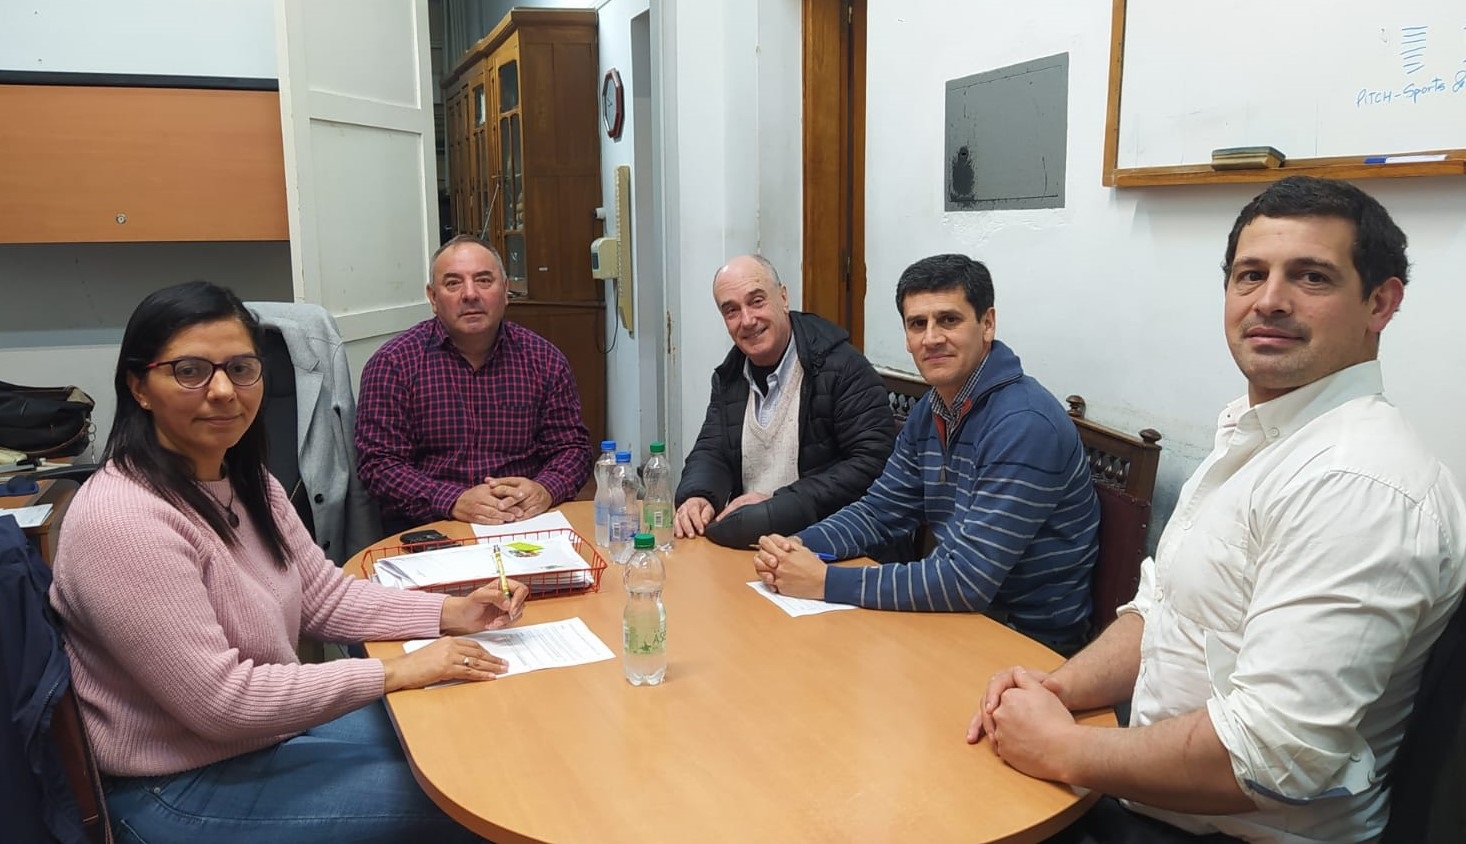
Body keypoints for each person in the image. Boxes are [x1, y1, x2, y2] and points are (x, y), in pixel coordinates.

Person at [968, 176, 1466, 843]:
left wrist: (1061, 747)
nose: (1270, 300)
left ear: (1380, 302)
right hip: (1150, 802)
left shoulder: (1357, 481)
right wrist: (1055, 692)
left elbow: (1269, 759)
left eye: (1312, 277)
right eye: (1250, 275)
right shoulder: (1259, 432)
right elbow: (1164, 613)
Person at [50, 281, 530, 843]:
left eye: (241, 368)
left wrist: (450, 613)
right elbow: (221, 702)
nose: (223, 391)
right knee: (477, 793)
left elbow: (322, 597)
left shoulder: (245, 481)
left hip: (259, 741)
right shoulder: (123, 519)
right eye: (190, 371)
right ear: (140, 387)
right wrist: (397, 671)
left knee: (477, 734)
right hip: (178, 785)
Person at [755, 253, 1100, 653]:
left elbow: (967, 581)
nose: (931, 338)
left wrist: (824, 582)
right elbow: (879, 513)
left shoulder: (1024, 424)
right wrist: (794, 548)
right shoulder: (933, 409)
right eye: (917, 324)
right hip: (960, 621)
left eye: (948, 320)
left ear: (987, 323)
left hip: (1024, 644)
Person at [355, 235, 593, 535]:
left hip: (524, 523)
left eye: (483, 280)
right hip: (431, 528)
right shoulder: (393, 364)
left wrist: (545, 489)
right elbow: (378, 465)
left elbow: (572, 448)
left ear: (505, 291)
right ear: (433, 297)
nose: (470, 294)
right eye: (453, 283)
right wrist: (452, 500)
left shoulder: (544, 360)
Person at [673, 254, 896, 548]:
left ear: (783, 297)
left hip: (829, 544)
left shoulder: (842, 367)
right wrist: (698, 495)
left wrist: (778, 505)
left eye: (757, 301)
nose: (747, 320)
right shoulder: (730, 376)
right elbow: (712, 450)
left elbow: (872, 463)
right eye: (732, 311)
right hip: (753, 542)